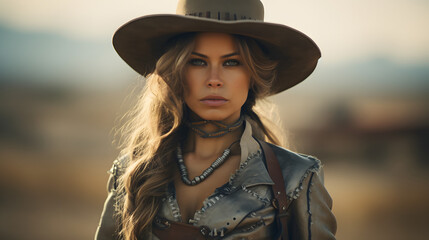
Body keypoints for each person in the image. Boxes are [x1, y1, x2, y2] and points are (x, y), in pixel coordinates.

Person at [95, 0, 337, 239]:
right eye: (197, 61)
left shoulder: (296, 177)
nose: (214, 79)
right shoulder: (132, 173)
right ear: (176, 71)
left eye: (231, 62)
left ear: (254, 74)